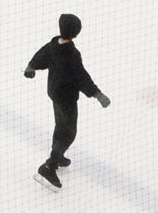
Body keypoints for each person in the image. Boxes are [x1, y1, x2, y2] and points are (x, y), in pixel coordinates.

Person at [23, 13, 109, 190]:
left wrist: (31, 66)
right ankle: (50, 166)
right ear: (76, 33)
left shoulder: (54, 44)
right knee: (69, 131)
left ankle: (58, 154)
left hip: (54, 92)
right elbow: (81, 76)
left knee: (60, 125)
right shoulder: (72, 54)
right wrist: (97, 94)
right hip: (66, 98)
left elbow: (42, 55)